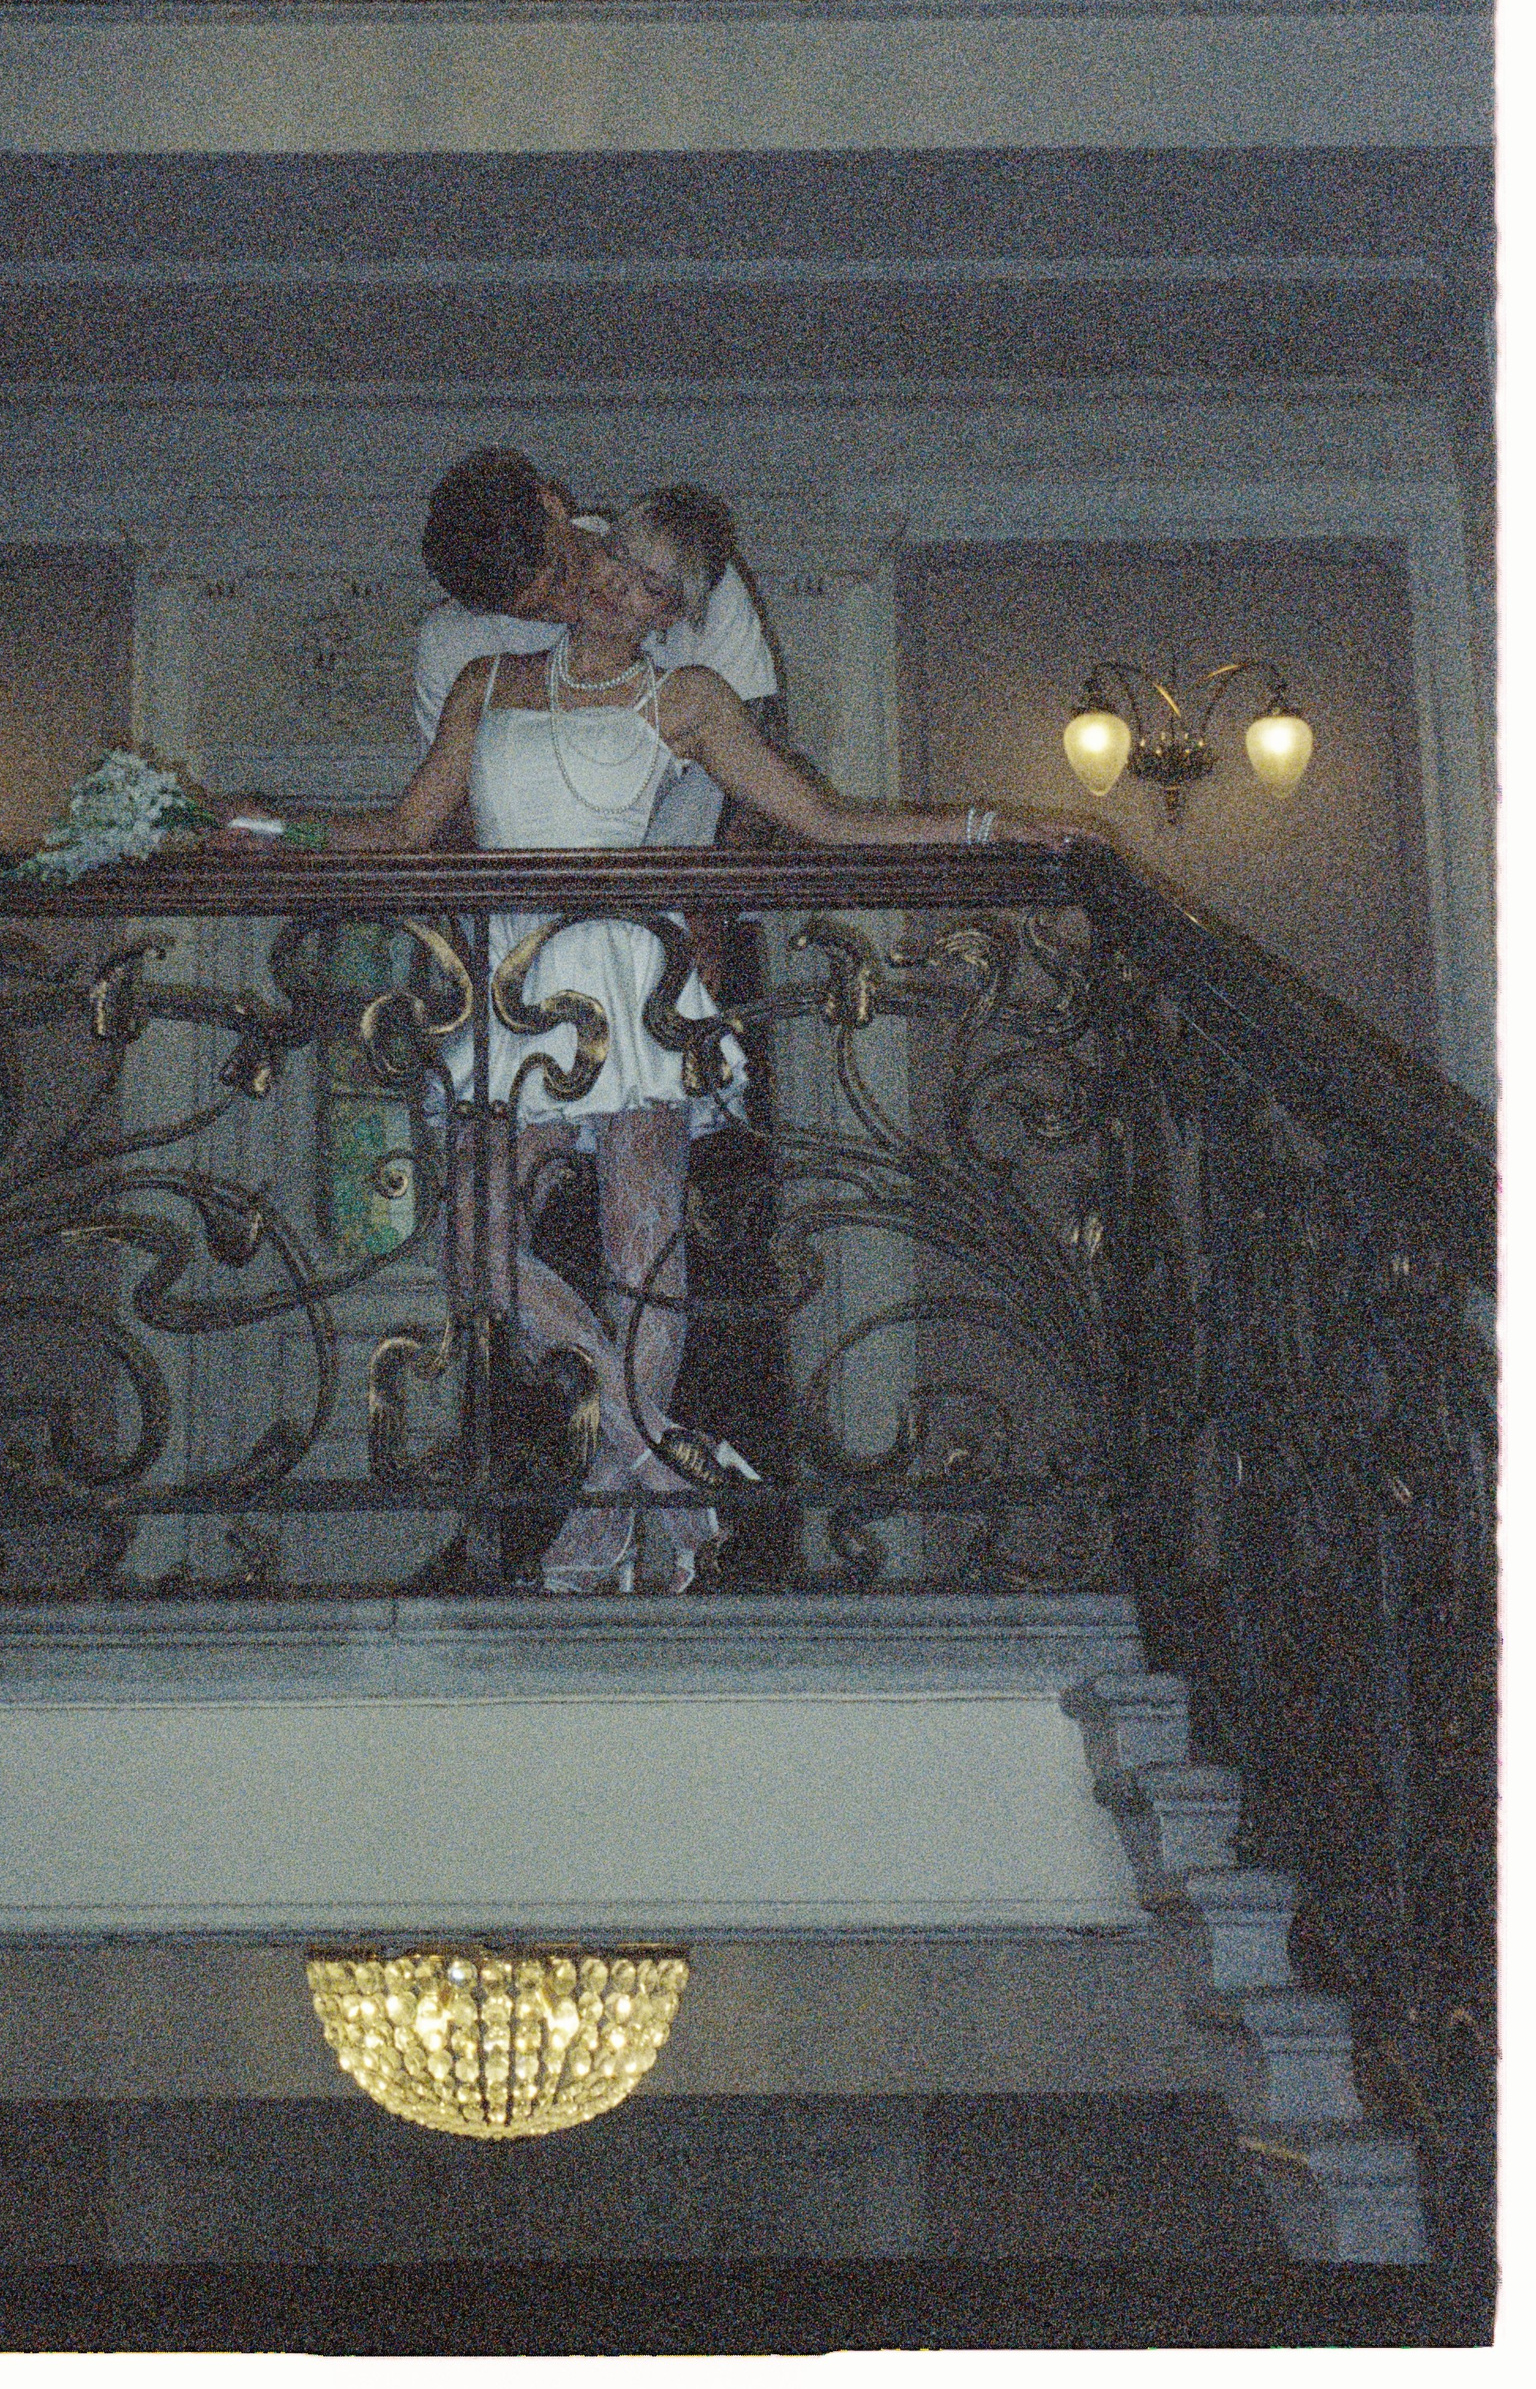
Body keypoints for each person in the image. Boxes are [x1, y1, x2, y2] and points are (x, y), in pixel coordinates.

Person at [213, 494, 1062, 1596]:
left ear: (674, 613)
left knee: (639, 1261)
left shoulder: (689, 698)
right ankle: (666, 1456)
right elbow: (403, 832)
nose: (623, 586)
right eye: (620, 559)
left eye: (656, 584)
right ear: (594, 552)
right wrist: (272, 828)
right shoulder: (486, 681)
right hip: (512, 988)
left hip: (634, 983)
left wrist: (993, 825)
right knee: (474, 1247)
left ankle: (607, 1509)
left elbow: (830, 822)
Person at [412, 448, 782, 849]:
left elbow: (757, 767)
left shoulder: (690, 573)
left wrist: (717, 881)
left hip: (685, 873)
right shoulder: (452, 642)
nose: (566, 606)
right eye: (535, 612)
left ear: (552, 504)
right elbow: (449, 813)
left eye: (560, 573)